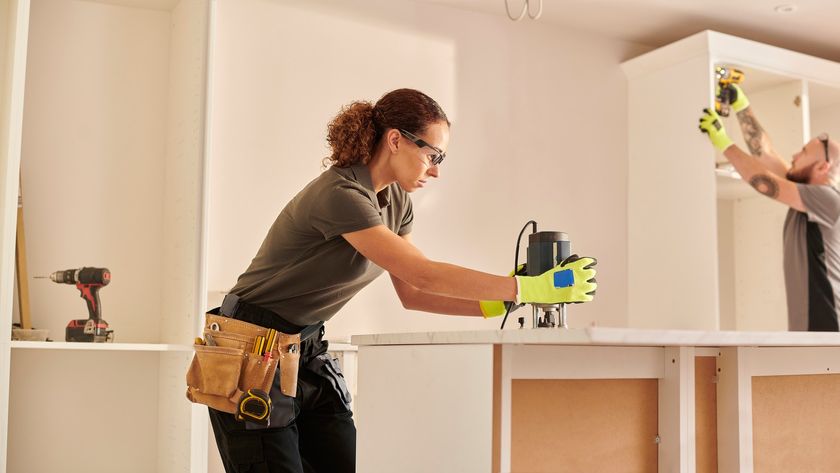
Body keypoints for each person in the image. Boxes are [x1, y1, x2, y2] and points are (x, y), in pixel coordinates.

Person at [207, 88, 598, 473]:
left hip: (304, 348)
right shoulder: (340, 194)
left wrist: (503, 300)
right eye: (433, 154)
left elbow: (411, 293)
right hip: (249, 347)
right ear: (395, 139)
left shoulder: (396, 202)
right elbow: (422, 273)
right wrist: (524, 287)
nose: (436, 169)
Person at [699, 84, 840, 332]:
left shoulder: (829, 199)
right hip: (812, 333)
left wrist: (724, 143)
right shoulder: (806, 195)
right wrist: (741, 106)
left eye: (804, 152)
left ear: (822, 168)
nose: (795, 155)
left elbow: (765, 183)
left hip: (828, 332)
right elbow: (765, 154)